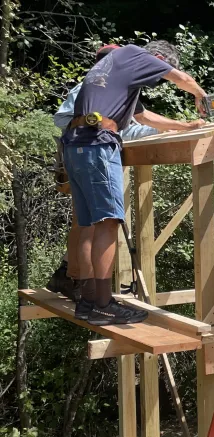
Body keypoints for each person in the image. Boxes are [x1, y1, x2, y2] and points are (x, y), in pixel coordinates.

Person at [60, 40, 209, 326]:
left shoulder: (116, 71)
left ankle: (89, 301)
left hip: (76, 145)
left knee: (91, 224)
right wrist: (201, 95)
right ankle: (103, 304)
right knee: (108, 222)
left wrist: (187, 126)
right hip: (97, 145)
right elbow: (182, 79)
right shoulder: (135, 55)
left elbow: (143, 116)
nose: (158, 78)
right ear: (157, 58)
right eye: (161, 68)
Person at [47, 44, 161, 303]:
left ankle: (68, 277)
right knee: (91, 224)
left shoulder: (113, 89)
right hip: (86, 156)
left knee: (88, 223)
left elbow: (127, 128)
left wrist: (166, 130)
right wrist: (91, 128)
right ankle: (78, 283)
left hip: (87, 155)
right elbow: (62, 118)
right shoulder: (92, 86)